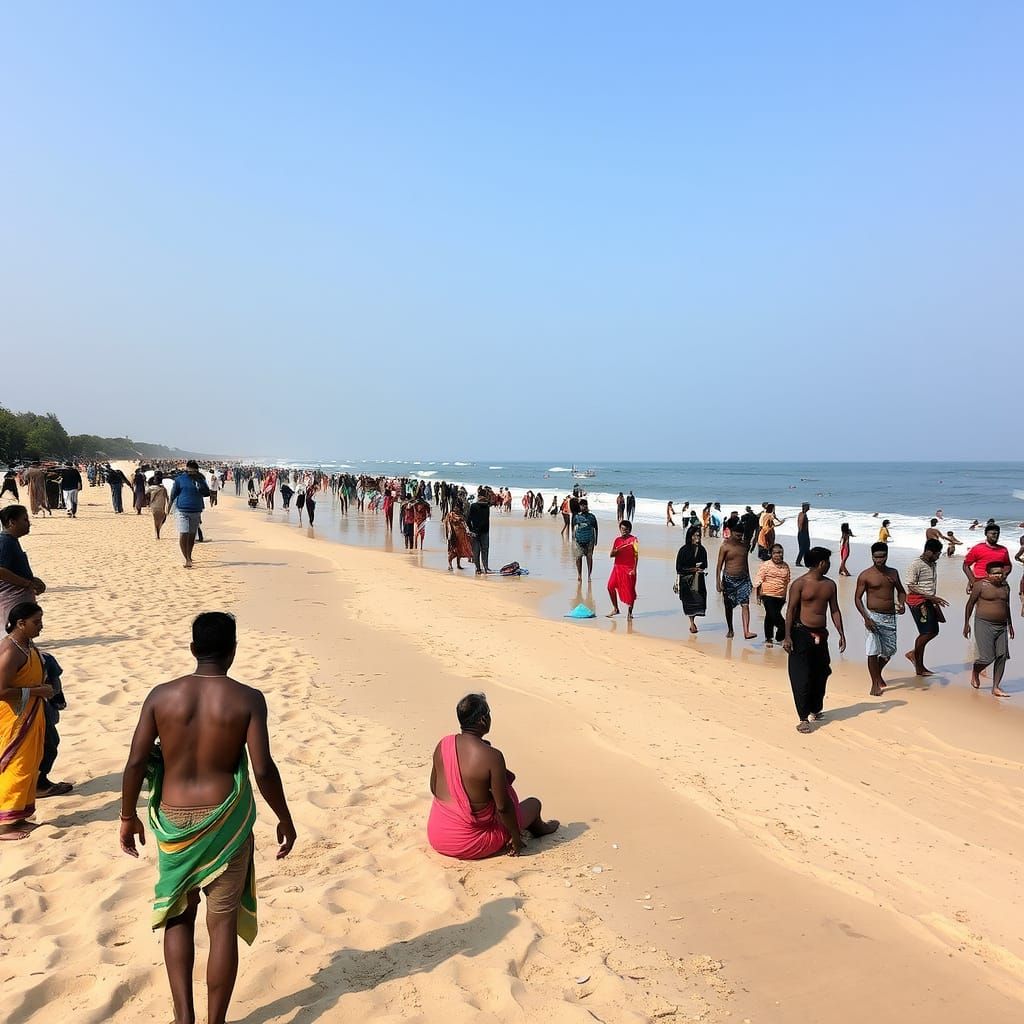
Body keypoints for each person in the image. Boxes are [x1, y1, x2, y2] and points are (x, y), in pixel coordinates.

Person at [119, 612, 297, 1024]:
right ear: (233, 650)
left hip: (173, 819)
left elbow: (135, 762)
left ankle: (184, 1017)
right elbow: (263, 768)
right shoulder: (248, 699)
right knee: (221, 925)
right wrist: (284, 817)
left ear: (193, 649)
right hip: (226, 820)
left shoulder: (161, 696)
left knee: (178, 914)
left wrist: (127, 816)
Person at [427, 692, 558, 860]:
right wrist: (516, 837)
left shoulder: (443, 744)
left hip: (437, 834)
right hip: (468, 842)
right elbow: (503, 806)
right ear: (483, 720)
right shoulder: (492, 756)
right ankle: (540, 828)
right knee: (534, 804)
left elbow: (433, 787)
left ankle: (535, 826)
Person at [0, 602, 53, 840]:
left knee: (30, 763)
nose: (41, 626)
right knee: (16, 765)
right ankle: (5, 825)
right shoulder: (10, 651)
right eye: (36, 622)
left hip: (32, 714)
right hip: (15, 717)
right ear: (21, 623)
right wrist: (36, 692)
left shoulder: (26, 645)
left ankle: (18, 817)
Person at [783, 548, 846, 733]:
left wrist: (841, 633)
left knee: (822, 673)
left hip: (821, 634)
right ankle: (803, 718)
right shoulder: (799, 584)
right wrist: (787, 636)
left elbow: (834, 610)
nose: (829, 565)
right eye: (827, 561)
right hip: (801, 633)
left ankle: (815, 708)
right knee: (801, 676)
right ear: (821, 563)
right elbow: (791, 611)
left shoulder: (830, 585)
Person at [854, 542, 907, 696]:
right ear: (872, 556)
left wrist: (902, 604)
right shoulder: (866, 575)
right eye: (876, 557)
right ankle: (875, 683)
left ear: (887, 555)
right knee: (872, 650)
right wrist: (866, 617)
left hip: (890, 616)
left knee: (889, 651)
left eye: (882, 556)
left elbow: (901, 591)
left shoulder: (893, 573)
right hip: (873, 616)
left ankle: (877, 673)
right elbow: (857, 598)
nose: (879, 560)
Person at [964, 562, 1014, 697]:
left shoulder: (1005, 587)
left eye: (1000, 573)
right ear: (988, 574)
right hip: (983, 623)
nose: (998, 576)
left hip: (1002, 626)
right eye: (995, 573)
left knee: (1002, 656)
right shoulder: (980, 585)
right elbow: (969, 605)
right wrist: (966, 624)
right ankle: (976, 670)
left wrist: (1010, 625)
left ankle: (996, 687)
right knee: (987, 657)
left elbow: (1007, 605)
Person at [903, 539, 948, 676]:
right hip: (918, 601)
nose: (938, 557)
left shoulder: (932, 564)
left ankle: (915, 656)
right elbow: (910, 586)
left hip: (928, 599)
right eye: (937, 554)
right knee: (927, 632)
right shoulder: (916, 565)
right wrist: (932, 597)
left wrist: (932, 598)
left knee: (933, 630)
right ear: (929, 551)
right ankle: (917, 660)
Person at [0, 505, 46, 626]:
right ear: (12, 522)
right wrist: (28, 583)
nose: (28, 523)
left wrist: (33, 580)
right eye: (25, 520)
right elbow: (1, 571)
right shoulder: (5, 542)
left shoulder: (11, 541)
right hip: (12, 599)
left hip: (18, 598)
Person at [716, 527, 757, 640]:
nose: (739, 538)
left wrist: (750, 580)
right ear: (732, 533)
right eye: (737, 536)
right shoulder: (725, 546)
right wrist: (718, 582)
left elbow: (745, 563)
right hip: (729, 579)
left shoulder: (744, 546)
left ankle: (746, 631)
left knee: (745, 604)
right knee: (728, 606)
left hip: (743, 579)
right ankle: (730, 629)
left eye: (741, 536)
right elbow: (719, 566)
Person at [169, 460, 211, 569]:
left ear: (197, 470)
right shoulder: (180, 479)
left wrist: (200, 484)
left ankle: (189, 555)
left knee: (192, 535)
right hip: (182, 510)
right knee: (184, 533)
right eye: (190, 471)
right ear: (186, 470)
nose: (191, 473)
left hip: (196, 510)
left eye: (194, 471)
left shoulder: (201, 479)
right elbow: (173, 495)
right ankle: (187, 558)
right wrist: (167, 509)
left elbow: (206, 492)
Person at [754, 543, 791, 646]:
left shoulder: (785, 566)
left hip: (780, 597)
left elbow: (787, 581)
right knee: (776, 617)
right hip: (767, 595)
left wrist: (785, 596)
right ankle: (782, 631)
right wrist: (757, 596)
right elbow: (758, 580)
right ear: (771, 554)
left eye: (780, 553)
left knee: (770, 616)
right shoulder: (766, 565)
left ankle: (769, 638)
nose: (778, 555)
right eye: (776, 553)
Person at [674, 526, 708, 633]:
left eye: (699, 535)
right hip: (686, 580)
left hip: (699, 579)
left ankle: (693, 621)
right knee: (688, 601)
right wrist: (693, 569)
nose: (698, 536)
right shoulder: (683, 550)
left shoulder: (702, 550)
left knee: (699, 601)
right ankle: (692, 623)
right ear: (690, 536)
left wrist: (700, 569)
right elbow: (679, 568)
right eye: (695, 535)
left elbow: (705, 564)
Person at [962, 523, 1011, 593]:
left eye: (997, 534)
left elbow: (1007, 565)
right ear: (986, 534)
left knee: (1001, 603)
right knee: (981, 603)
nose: (996, 536)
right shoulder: (977, 548)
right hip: (980, 582)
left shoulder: (1003, 550)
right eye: (993, 534)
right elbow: (966, 566)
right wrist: (973, 582)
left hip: (998, 583)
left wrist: (1004, 575)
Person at [607, 520, 638, 619]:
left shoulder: (634, 540)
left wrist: (634, 569)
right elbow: (611, 555)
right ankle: (616, 609)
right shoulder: (617, 540)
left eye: (626, 529)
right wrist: (616, 551)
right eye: (622, 529)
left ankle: (630, 612)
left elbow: (636, 556)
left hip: (629, 568)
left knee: (630, 591)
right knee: (610, 587)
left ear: (630, 530)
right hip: (617, 567)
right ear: (620, 529)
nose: (624, 531)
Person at [571, 498, 599, 584]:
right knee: (578, 558)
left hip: (590, 540)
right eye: (582, 505)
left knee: (589, 558)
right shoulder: (576, 517)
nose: (584, 506)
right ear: (579, 506)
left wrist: (596, 540)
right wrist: (573, 539)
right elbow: (573, 527)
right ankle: (579, 574)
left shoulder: (592, 517)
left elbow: (596, 528)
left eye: (585, 504)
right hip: (579, 540)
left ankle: (589, 575)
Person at [467, 487, 492, 575]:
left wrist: (471, 530)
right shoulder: (487, 506)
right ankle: (485, 567)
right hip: (485, 532)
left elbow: (468, 520)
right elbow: (485, 520)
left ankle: (478, 569)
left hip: (475, 532)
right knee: (485, 550)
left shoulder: (473, 506)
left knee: (476, 551)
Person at [444, 505, 474, 570]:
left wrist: (468, 531)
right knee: (452, 550)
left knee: (459, 551)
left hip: (461, 536)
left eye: (458, 507)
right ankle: (450, 564)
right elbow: (447, 525)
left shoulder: (461, 515)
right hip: (453, 536)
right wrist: (448, 534)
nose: (456, 508)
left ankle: (458, 564)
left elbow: (465, 524)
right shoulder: (450, 515)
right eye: (455, 507)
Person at [147, 472, 170, 539]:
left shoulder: (151, 488)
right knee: (162, 519)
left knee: (156, 520)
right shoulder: (163, 488)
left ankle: (157, 532)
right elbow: (167, 497)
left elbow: (145, 494)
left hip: (154, 506)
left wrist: (148, 502)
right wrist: (168, 506)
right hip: (161, 506)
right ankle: (158, 533)